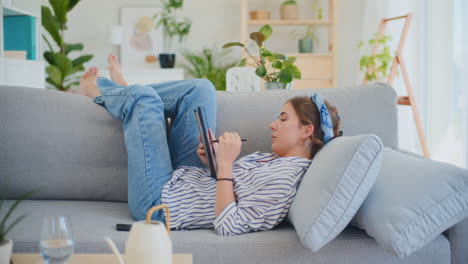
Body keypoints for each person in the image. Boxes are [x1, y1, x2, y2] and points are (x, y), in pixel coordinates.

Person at [79, 54, 341, 236]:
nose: (272, 125)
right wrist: (213, 161)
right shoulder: (276, 160)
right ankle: (126, 95)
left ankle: (107, 92)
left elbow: (228, 224)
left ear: (306, 131)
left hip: (161, 203)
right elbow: (229, 188)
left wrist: (226, 164)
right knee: (201, 89)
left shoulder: (284, 181)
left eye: (283, 119)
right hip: (186, 181)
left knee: (146, 101)